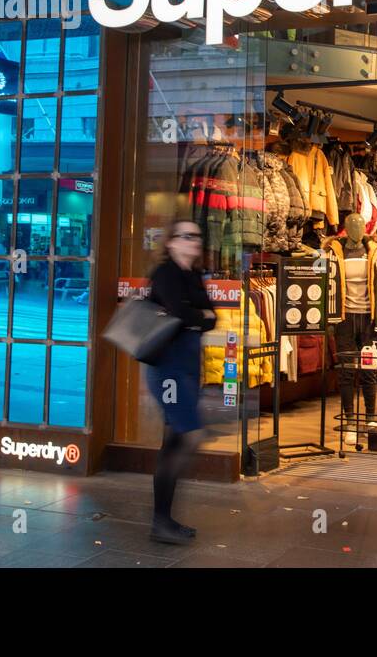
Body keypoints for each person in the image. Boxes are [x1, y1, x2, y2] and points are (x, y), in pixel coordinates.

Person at [146, 219, 215, 545]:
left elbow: (210, 317)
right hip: (168, 369)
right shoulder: (165, 273)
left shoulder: (192, 275)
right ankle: (161, 521)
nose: (194, 241)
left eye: (197, 236)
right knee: (190, 435)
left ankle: (163, 520)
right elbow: (184, 313)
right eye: (187, 236)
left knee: (174, 440)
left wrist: (196, 316)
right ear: (172, 242)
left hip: (188, 365)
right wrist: (197, 316)